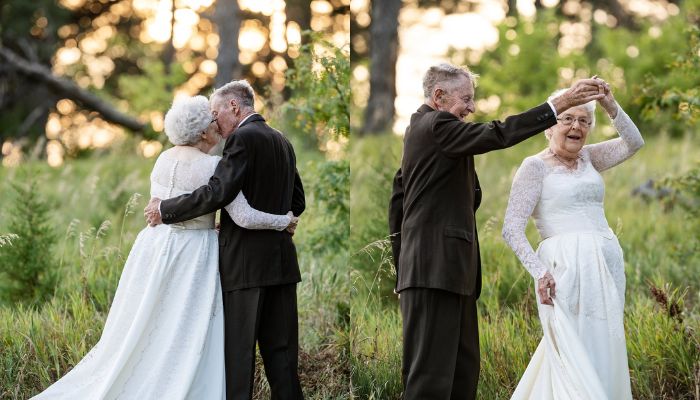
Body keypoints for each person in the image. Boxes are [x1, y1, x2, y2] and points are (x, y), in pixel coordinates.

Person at [32, 95, 297, 399]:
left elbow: (168, 204)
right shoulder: (215, 163)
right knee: (190, 329)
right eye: (212, 121)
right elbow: (244, 214)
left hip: (155, 248)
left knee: (151, 326)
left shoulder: (162, 159)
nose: (218, 126)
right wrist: (284, 220)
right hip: (195, 253)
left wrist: (177, 213)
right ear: (202, 133)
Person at [388, 62, 608, 400]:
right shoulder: (435, 125)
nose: (472, 108)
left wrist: (403, 267)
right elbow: (499, 133)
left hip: (449, 273)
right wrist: (562, 103)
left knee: (462, 374)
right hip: (433, 271)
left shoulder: (424, 133)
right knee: (430, 382)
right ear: (439, 96)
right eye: (466, 99)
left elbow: (398, 198)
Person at [144, 81, 306, 400]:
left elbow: (219, 191)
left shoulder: (241, 139)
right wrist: (281, 221)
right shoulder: (281, 140)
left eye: (216, 113)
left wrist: (166, 209)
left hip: (244, 267)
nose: (214, 122)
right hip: (282, 265)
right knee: (283, 359)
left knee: (239, 358)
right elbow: (297, 202)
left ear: (234, 107)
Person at [503, 83, 643, 399]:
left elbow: (634, 142)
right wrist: (540, 272)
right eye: (567, 119)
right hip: (562, 270)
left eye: (584, 121)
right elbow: (511, 228)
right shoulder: (534, 166)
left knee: (603, 345)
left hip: (605, 269)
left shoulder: (590, 158)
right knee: (570, 349)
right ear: (549, 125)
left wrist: (609, 103)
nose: (576, 126)